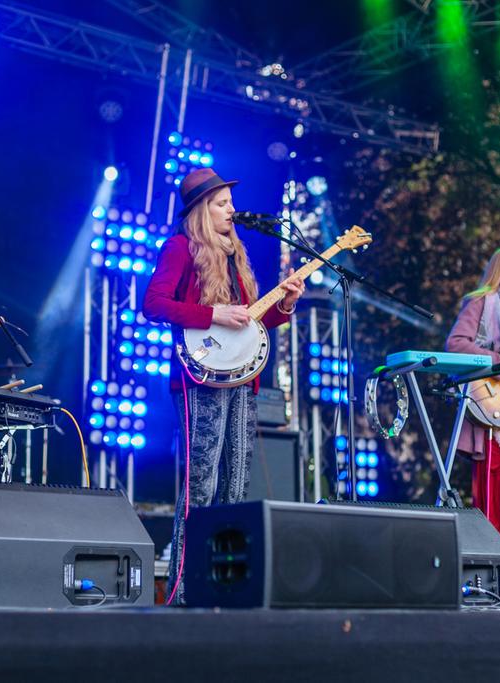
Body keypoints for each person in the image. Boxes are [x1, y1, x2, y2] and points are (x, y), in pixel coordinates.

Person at [142, 167, 304, 604]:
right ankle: (182, 588)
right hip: (199, 381)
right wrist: (213, 314)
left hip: (242, 379)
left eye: (230, 202)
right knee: (202, 485)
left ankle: (226, 585)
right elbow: (153, 304)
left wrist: (284, 306)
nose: (232, 209)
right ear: (200, 211)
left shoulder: (236, 255)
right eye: (221, 203)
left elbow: (249, 323)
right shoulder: (179, 247)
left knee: (235, 486)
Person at [446, 245, 500, 538]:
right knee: (496, 496)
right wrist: (499, 362)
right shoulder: (482, 301)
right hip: (493, 413)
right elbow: (456, 344)